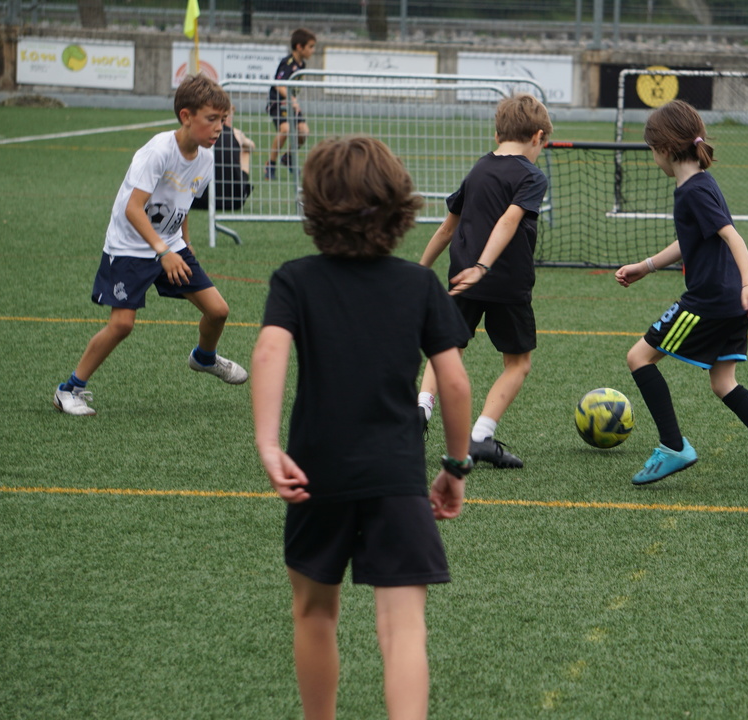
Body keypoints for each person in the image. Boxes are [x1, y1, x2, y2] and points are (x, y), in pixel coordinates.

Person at [251, 135, 473, 720]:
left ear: (314, 207)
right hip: (396, 476)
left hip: (314, 474)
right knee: (403, 629)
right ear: (400, 206)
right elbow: (453, 384)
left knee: (314, 613)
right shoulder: (419, 285)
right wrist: (454, 466)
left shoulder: (294, 280)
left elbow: (269, 351)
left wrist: (268, 444)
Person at [615, 100, 748, 489]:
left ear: (665, 149)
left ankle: (673, 446)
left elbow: (733, 236)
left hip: (709, 301)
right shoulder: (700, 183)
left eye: (652, 150)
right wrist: (646, 266)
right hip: (730, 302)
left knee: (638, 357)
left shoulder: (693, 191)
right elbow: (691, 239)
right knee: (723, 382)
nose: (653, 158)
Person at [51, 75, 247, 416]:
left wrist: (184, 243)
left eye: (223, 119)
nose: (220, 127)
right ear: (186, 117)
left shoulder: (205, 156)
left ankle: (204, 358)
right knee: (122, 325)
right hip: (130, 247)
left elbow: (182, 202)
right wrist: (163, 251)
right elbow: (133, 208)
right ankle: (68, 389)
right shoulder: (158, 151)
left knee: (218, 311)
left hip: (169, 245)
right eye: (212, 119)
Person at [416, 93, 551, 469]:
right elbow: (509, 220)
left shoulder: (479, 169)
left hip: (462, 278)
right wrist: (484, 266)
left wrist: (421, 268)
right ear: (538, 137)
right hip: (505, 283)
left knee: (447, 349)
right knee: (518, 363)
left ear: (497, 135)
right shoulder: (532, 175)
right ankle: (480, 437)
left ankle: (421, 407)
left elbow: (447, 228)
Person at [265, 27, 316, 180]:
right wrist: (292, 99)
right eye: (310, 47)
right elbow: (279, 85)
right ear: (299, 47)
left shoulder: (302, 65)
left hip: (291, 103)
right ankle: (270, 165)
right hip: (278, 102)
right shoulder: (287, 63)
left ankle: (287, 158)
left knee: (303, 132)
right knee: (285, 129)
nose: (313, 50)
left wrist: (293, 100)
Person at [191, 106, 253, 212]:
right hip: (233, 201)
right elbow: (252, 145)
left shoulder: (199, 132)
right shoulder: (236, 133)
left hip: (196, 200)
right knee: (246, 151)